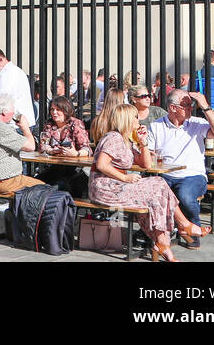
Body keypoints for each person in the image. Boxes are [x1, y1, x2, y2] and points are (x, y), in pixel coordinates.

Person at [89, 104, 207, 261]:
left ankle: (164, 245)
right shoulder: (113, 138)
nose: (139, 120)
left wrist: (143, 142)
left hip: (117, 185)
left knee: (156, 197)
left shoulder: (127, 140)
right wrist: (125, 178)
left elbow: (145, 164)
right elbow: (101, 165)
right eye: (136, 117)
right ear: (127, 120)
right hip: (105, 187)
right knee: (158, 184)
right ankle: (181, 226)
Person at [146, 89, 214, 248]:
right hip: (165, 175)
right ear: (173, 108)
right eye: (186, 105)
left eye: (192, 105)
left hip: (192, 175)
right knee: (152, 193)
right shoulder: (156, 126)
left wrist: (205, 106)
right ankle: (159, 233)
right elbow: (149, 154)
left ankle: (190, 230)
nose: (191, 108)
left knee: (185, 196)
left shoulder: (197, 123)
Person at [0, 92, 43, 195]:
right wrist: (25, 128)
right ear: (5, 111)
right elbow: (31, 146)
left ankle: (13, 210)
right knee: (46, 189)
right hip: (4, 182)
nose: (14, 111)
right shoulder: (1, 128)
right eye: (12, 108)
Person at [36, 96, 91, 197]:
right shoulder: (49, 124)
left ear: (65, 110)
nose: (54, 112)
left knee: (61, 186)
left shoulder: (75, 124)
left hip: (73, 169)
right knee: (35, 183)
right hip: (54, 167)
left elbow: (87, 149)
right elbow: (43, 146)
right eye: (52, 109)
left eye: (58, 109)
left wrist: (75, 153)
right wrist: (50, 151)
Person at [0, 49, 35, 127]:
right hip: (22, 121)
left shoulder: (6, 74)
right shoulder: (14, 70)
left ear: (0, 59)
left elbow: (1, 102)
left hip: (15, 123)